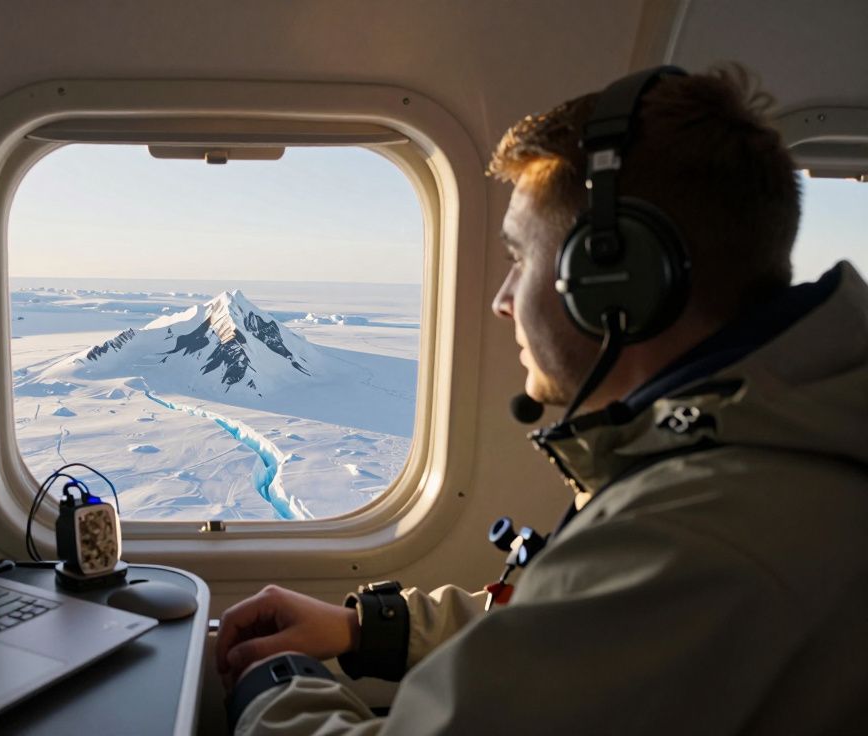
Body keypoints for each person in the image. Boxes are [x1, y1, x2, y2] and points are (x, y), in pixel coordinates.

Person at [216, 65, 868, 735]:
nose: (503, 301)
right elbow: (583, 629)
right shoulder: (741, 453)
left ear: (614, 278)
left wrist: (271, 688)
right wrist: (366, 629)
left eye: (520, 259)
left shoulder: (699, 530)